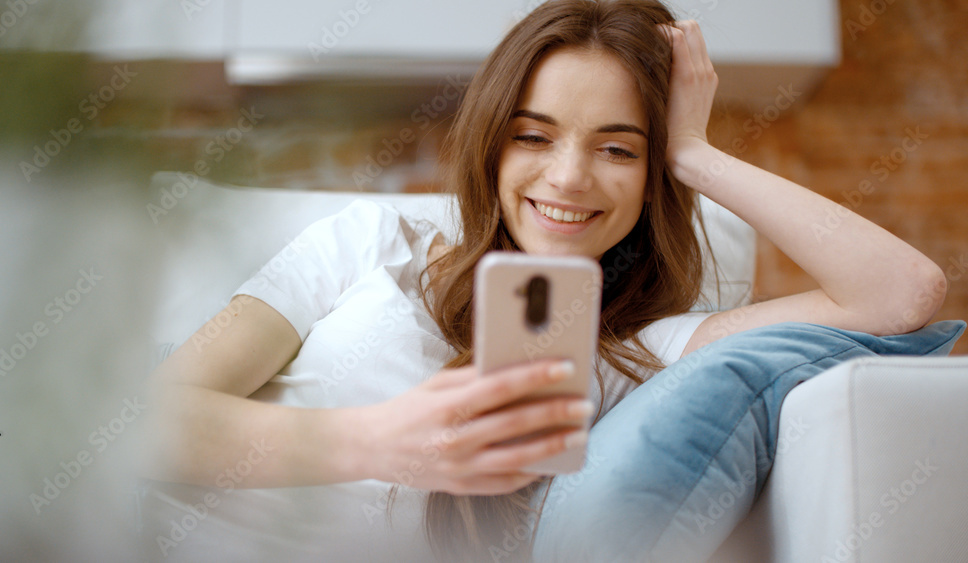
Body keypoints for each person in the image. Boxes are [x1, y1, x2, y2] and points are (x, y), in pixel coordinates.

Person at [142, 0, 946, 561]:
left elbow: (902, 294)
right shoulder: (373, 241)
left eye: (618, 148)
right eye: (534, 136)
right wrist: (385, 441)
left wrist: (696, 152)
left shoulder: (642, 349)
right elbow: (146, 421)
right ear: (494, 143)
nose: (567, 178)